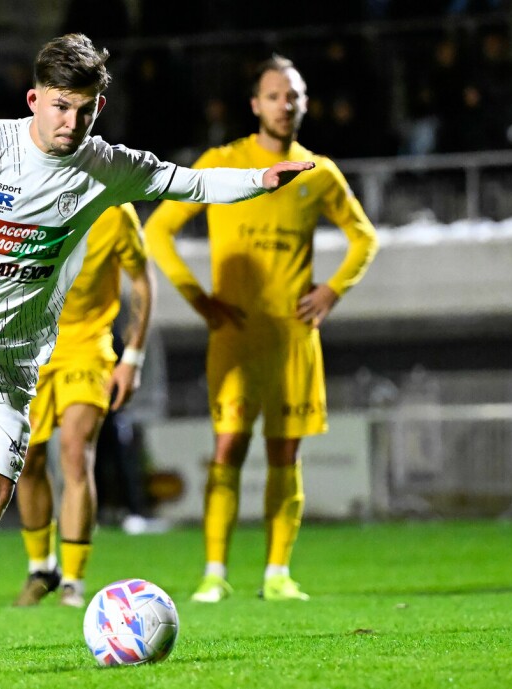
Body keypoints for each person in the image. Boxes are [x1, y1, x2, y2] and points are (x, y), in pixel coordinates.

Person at [0, 33, 313, 659]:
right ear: (34, 99)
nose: (70, 122)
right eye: (59, 107)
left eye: (84, 109)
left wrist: (261, 179)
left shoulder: (104, 166)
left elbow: (190, 184)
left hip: (14, 360)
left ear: (97, 108)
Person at [143, 54, 378, 604]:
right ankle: (214, 573)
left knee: (285, 456)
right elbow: (159, 230)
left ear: (304, 103)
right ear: (255, 104)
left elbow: (364, 237)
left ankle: (277, 573)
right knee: (227, 449)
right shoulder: (223, 164)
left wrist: (333, 290)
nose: (285, 103)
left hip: (295, 338)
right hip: (235, 336)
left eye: (293, 94)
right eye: (274, 94)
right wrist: (196, 295)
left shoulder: (318, 172)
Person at [13, 203, 154, 608]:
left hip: (88, 348)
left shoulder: (114, 210)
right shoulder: (26, 197)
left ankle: (73, 581)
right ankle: (42, 569)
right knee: (28, 459)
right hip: (27, 349)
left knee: (76, 452)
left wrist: (133, 358)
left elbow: (142, 280)